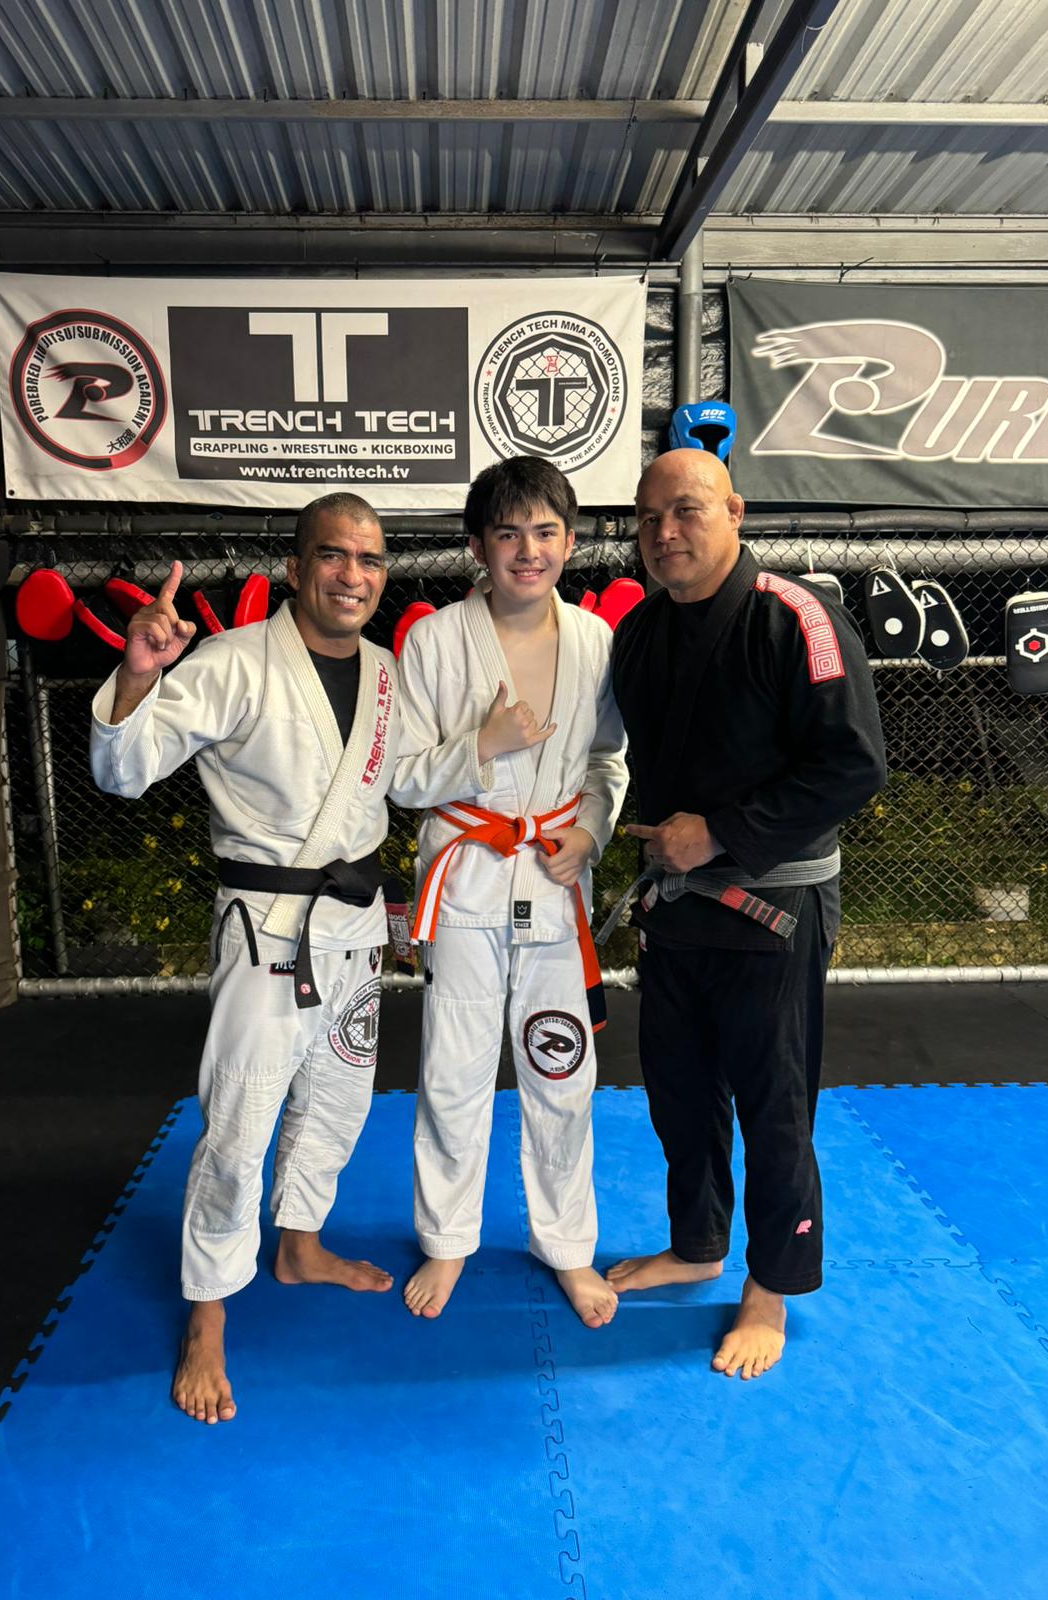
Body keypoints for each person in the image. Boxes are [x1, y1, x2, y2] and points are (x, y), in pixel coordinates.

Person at [90, 493, 400, 1424]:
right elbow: (123, 769)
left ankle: (299, 1244)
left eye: (372, 559)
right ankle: (209, 1312)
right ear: (299, 567)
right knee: (240, 1120)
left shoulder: (388, 674)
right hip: (269, 927)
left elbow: (413, 774)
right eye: (334, 556)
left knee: (339, 1100)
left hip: (356, 922)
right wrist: (140, 673)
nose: (354, 574)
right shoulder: (235, 662)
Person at [608, 448, 885, 1380]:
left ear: (735, 510)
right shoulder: (642, 633)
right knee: (680, 1092)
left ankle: (769, 1287)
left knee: (774, 1104)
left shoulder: (796, 618)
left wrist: (721, 832)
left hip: (777, 905)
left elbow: (854, 766)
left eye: (685, 512)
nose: (665, 533)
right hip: (677, 909)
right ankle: (698, 1245)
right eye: (649, 519)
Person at [391, 457, 629, 1327]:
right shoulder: (434, 641)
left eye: (545, 532)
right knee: (453, 1068)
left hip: (555, 875)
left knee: (561, 1064)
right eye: (508, 533)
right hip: (466, 876)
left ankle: (566, 1245)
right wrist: (478, 747)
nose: (527, 551)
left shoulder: (598, 641)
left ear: (570, 541)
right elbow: (401, 777)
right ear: (476, 547)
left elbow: (609, 761)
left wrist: (591, 831)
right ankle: (448, 1238)